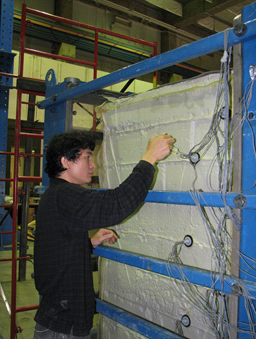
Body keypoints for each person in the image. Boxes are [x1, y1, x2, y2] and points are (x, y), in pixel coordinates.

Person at [33, 130, 175, 339]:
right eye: (87, 157)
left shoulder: (55, 195)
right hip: (62, 326)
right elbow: (117, 204)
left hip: (58, 316)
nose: (93, 166)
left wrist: (88, 244)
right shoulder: (65, 195)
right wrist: (149, 158)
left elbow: (55, 249)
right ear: (65, 162)